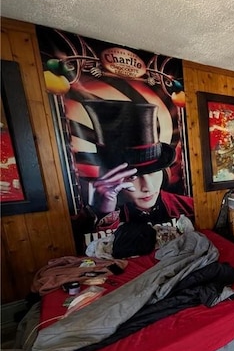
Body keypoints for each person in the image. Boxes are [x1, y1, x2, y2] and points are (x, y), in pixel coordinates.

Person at [72, 100, 194, 250]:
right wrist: (105, 213)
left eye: (153, 172)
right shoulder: (88, 218)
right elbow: (95, 251)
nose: (148, 187)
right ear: (112, 177)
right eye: (132, 177)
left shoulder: (187, 207)